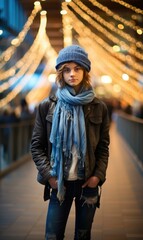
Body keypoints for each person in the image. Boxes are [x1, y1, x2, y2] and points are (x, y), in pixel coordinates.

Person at [31, 45, 110, 240]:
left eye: (77, 68)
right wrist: (50, 176)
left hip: (88, 182)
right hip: (59, 182)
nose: (72, 74)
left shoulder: (98, 107)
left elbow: (103, 147)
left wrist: (97, 176)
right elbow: (36, 146)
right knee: (52, 235)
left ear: (85, 71)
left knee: (83, 235)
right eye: (66, 69)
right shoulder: (47, 106)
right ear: (60, 73)